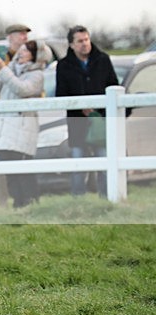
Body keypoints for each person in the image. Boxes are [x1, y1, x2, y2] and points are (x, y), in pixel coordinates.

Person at [0, 40, 51, 208]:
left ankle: (30, 202)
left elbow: (22, 89)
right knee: (9, 170)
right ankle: (18, 203)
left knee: (23, 170)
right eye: (22, 49)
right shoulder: (10, 70)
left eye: (27, 50)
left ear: (36, 56)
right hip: (4, 128)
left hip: (22, 128)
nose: (21, 52)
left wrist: (3, 69)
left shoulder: (37, 75)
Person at [55, 25, 119, 196]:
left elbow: (113, 86)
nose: (84, 44)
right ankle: (79, 200)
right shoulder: (63, 66)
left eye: (86, 39)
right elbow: (61, 95)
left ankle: (108, 199)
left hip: (100, 121)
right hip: (77, 122)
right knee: (78, 163)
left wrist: (98, 109)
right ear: (71, 45)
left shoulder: (103, 59)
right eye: (80, 41)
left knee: (104, 161)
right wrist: (79, 105)